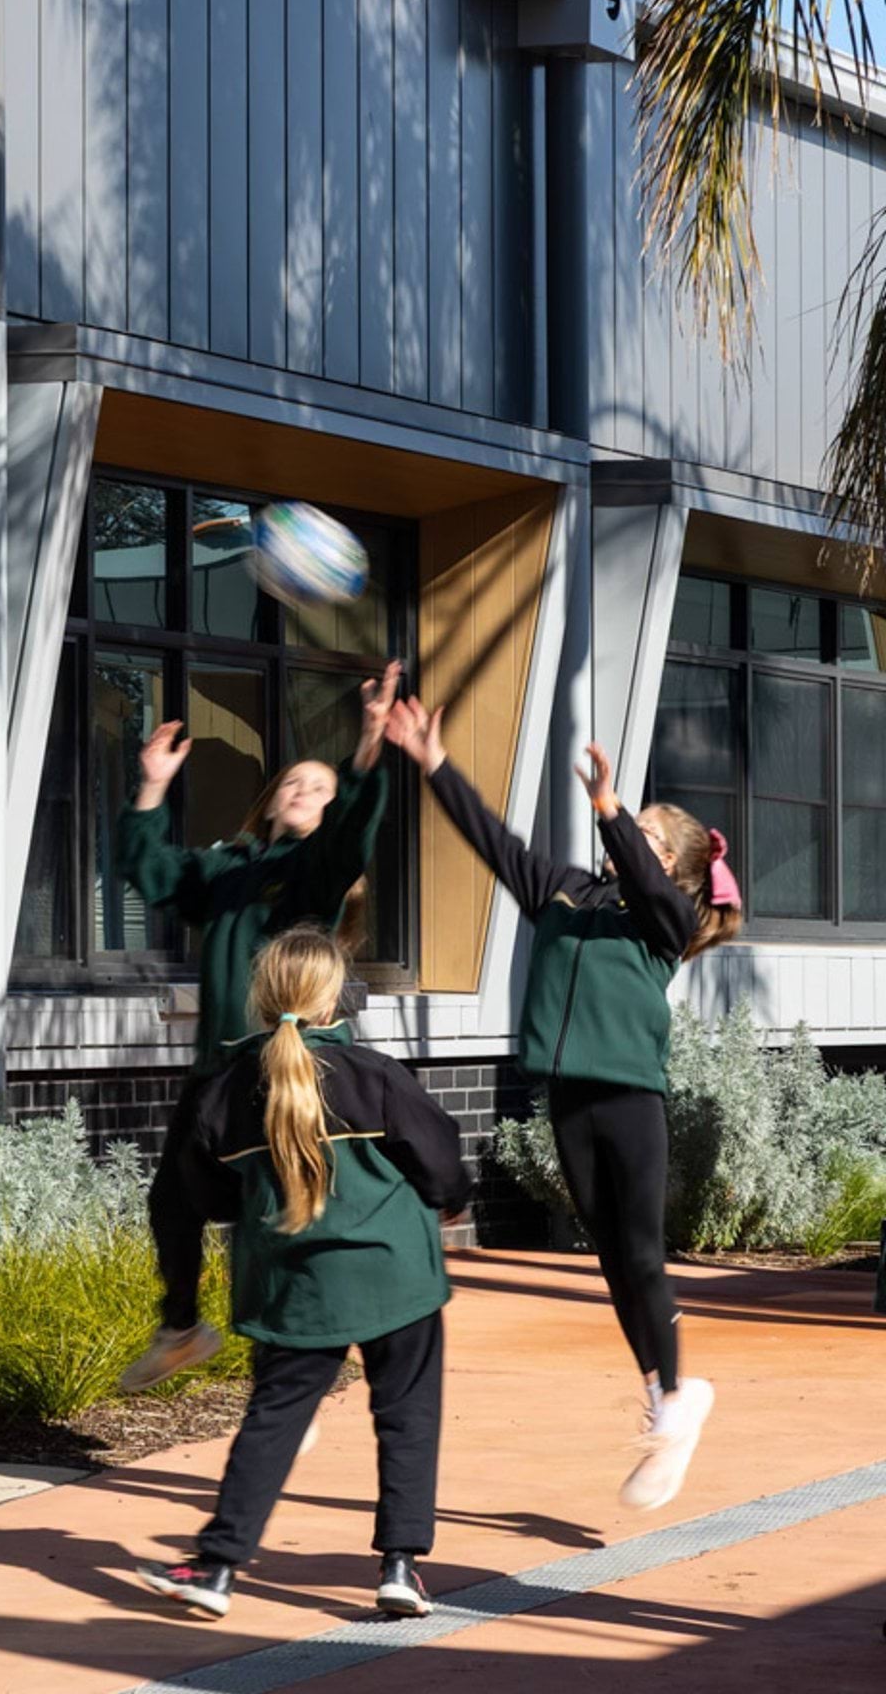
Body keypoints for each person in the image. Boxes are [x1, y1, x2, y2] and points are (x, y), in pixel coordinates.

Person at [384, 696, 743, 1510]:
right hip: (570, 1098)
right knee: (612, 1260)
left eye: (651, 836)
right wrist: (434, 762)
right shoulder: (568, 893)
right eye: (633, 830)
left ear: (673, 864)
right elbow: (494, 843)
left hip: (630, 1101)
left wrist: (614, 810)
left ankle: (678, 1394)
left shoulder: (666, 921)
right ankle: (667, 1396)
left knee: (643, 1255)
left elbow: (653, 890)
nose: (633, 841)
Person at [133, 929, 469, 1621]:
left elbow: (210, 1203)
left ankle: (218, 1568)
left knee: (273, 1420)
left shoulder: (222, 1094)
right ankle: (400, 1569)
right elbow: (441, 1166)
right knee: (407, 1417)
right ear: (334, 998)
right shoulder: (375, 1075)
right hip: (395, 1275)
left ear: (261, 998)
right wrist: (443, 1202)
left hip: (293, 1287)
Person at [115, 661, 402, 1394]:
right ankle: (182, 1328)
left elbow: (352, 831)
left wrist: (368, 742)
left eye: (318, 786)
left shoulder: (315, 874)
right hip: (220, 1068)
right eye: (291, 783)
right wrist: (151, 785)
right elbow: (151, 873)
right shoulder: (227, 869)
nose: (302, 790)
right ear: (269, 803)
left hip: (289, 1071)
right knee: (172, 1202)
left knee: (272, 1217)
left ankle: (294, 1374)